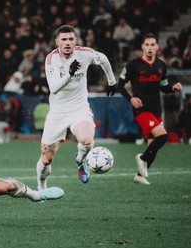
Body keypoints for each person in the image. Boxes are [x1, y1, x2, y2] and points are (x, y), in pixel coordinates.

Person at [35, 25, 117, 189]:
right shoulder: (52, 59)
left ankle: (80, 161)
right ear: (57, 41)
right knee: (46, 159)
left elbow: (103, 59)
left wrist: (112, 81)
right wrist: (69, 73)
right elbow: (54, 88)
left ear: (75, 41)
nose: (67, 43)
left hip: (79, 109)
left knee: (87, 140)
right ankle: (41, 186)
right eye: (64, 39)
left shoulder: (84, 53)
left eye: (70, 39)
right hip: (58, 112)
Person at [117, 33, 183, 185]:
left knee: (153, 145)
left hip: (156, 109)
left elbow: (164, 87)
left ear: (157, 47)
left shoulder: (161, 65)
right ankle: (142, 158)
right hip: (142, 110)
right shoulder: (133, 65)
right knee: (163, 136)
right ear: (142, 47)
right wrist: (131, 99)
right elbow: (120, 86)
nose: (150, 48)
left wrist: (173, 88)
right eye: (147, 45)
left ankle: (140, 176)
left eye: (153, 44)